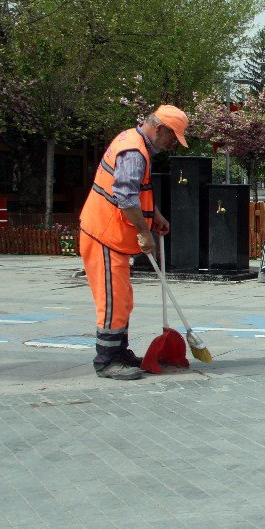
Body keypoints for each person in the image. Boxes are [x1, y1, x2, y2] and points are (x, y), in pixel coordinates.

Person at [79, 105, 189, 380]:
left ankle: (119, 352)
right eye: (172, 137)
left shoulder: (133, 142)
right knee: (113, 301)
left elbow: (137, 195)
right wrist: (144, 231)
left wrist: (156, 217)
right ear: (160, 128)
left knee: (123, 299)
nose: (172, 144)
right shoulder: (134, 152)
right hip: (104, 234)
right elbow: (126, 198)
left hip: (110, 235)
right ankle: (106, 361)